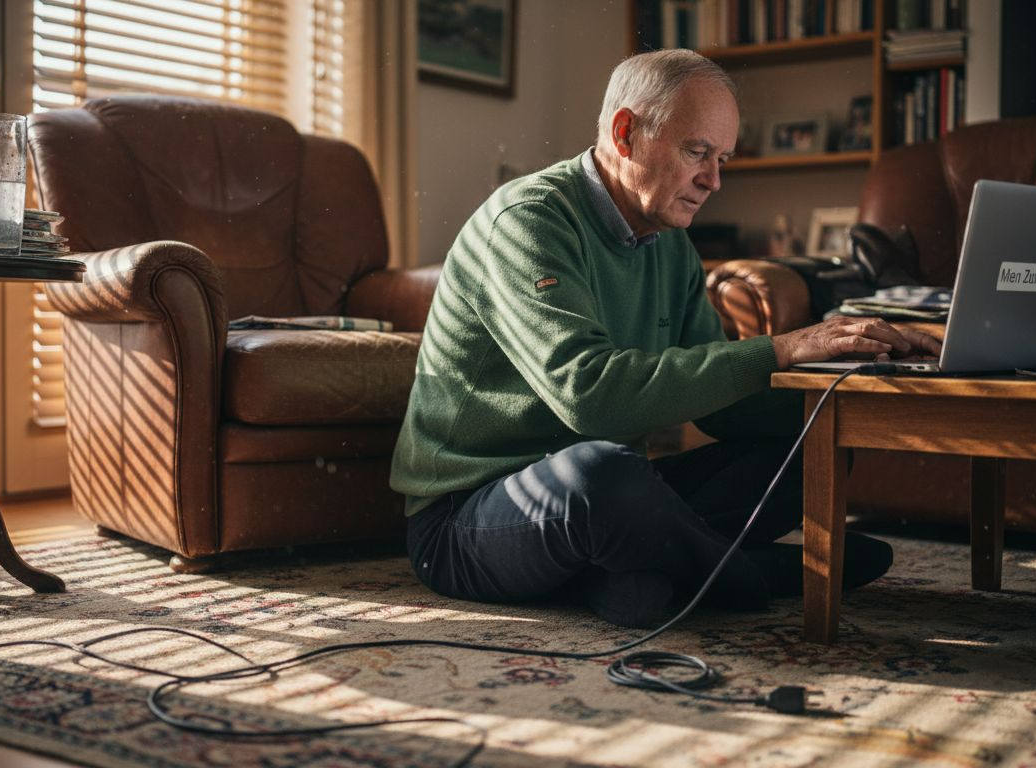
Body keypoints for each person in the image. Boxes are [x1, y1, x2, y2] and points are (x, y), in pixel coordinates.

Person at [390, 49, 941, 629]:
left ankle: (637, 573)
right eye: (697, 152)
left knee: (817, 445)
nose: (714, 180)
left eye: (722, 158)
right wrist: (782, 347)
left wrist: (851, 389)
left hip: (616, 502)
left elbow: (724, 408)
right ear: (626, 133)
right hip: (469, 517)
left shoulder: (669, 241)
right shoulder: (528, 221)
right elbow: (590, 397)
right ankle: (747, 574)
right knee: (599, 476)